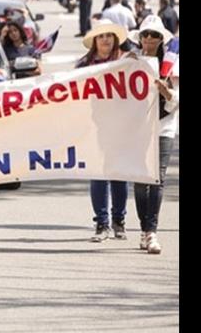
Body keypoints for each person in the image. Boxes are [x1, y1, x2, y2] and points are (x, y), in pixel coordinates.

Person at [75, 19, 129, 242]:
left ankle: (119, 221)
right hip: (94, 128)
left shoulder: (126, 62)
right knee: (98, 175)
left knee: (119, 175)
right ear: (95, 41)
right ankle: (102, 223)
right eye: (101, 36)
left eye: (109, 36)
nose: (106, 40)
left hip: (121, 127)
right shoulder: (83, 67)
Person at [129, 16, 179, 255]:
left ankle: (152, 231)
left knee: (157, 178)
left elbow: (176, 100)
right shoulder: (131, 62)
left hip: (163, 126)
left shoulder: (171, 64)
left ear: (161, 39)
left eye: (155, 35)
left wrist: (166, 92)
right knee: (140, 181)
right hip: (138, 128)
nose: (149, 39)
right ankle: (144, 228)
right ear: (140, 38)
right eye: (146, 34)